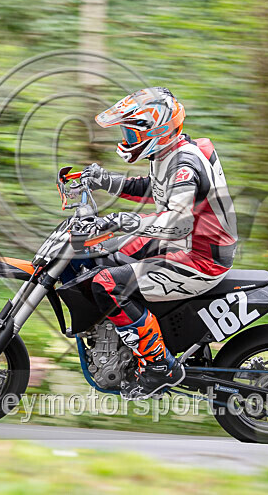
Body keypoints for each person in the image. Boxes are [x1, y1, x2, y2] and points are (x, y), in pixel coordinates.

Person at [81, 87, 238, 399]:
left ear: (158, 130)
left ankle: (160, 366)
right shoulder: (169, 154)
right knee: (103, 254)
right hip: (187, 245)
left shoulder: (185, 165)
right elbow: (151, 188)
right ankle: (128, 337)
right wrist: (102, 180)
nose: (126, 138)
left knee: (106, 284)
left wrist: (120, 220)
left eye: (131, 131)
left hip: (199, 256)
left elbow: (178, 222)